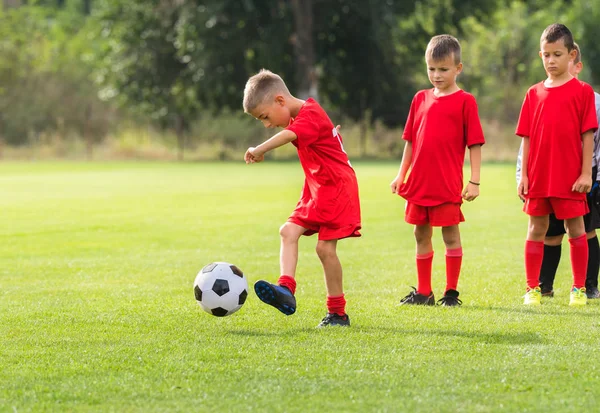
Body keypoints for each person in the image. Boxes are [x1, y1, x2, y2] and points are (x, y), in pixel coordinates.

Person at [242, 69, 361, 327]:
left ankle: (338, 314)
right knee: (287, 231)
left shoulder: (308, 113)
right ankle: (286, 291)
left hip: (337, 188)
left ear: (280, 101)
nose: (267, 124)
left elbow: (289, 135)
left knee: (324, 249)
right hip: (317, 187)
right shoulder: (304, 117)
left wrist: (258, 148)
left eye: (265, 116)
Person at [390, 34, 485, 307]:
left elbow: (475, 144)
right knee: (420, 234)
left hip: (446, 184)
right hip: (419, 183)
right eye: (431, 69)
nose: (436, 75)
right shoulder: (420, 99)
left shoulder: (466, 101)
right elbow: (410, 142)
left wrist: (474, 181)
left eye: (443, 69)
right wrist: (400, 175)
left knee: (450, 235)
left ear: (458, 68)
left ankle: (451, 293)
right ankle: (423, 292)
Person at [516, 24, 598, 306]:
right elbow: (526, 139)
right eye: (546, 55)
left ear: (571, 55)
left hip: (570, 177)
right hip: (538, 177)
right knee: (536, 229)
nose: (551, 61)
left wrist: (586, 172)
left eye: (557, 54)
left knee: (576, 229)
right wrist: (523, 175)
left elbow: (588, 136)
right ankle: (532, 288)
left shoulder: (583, 92)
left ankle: (578, 289)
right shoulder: (533, 93)